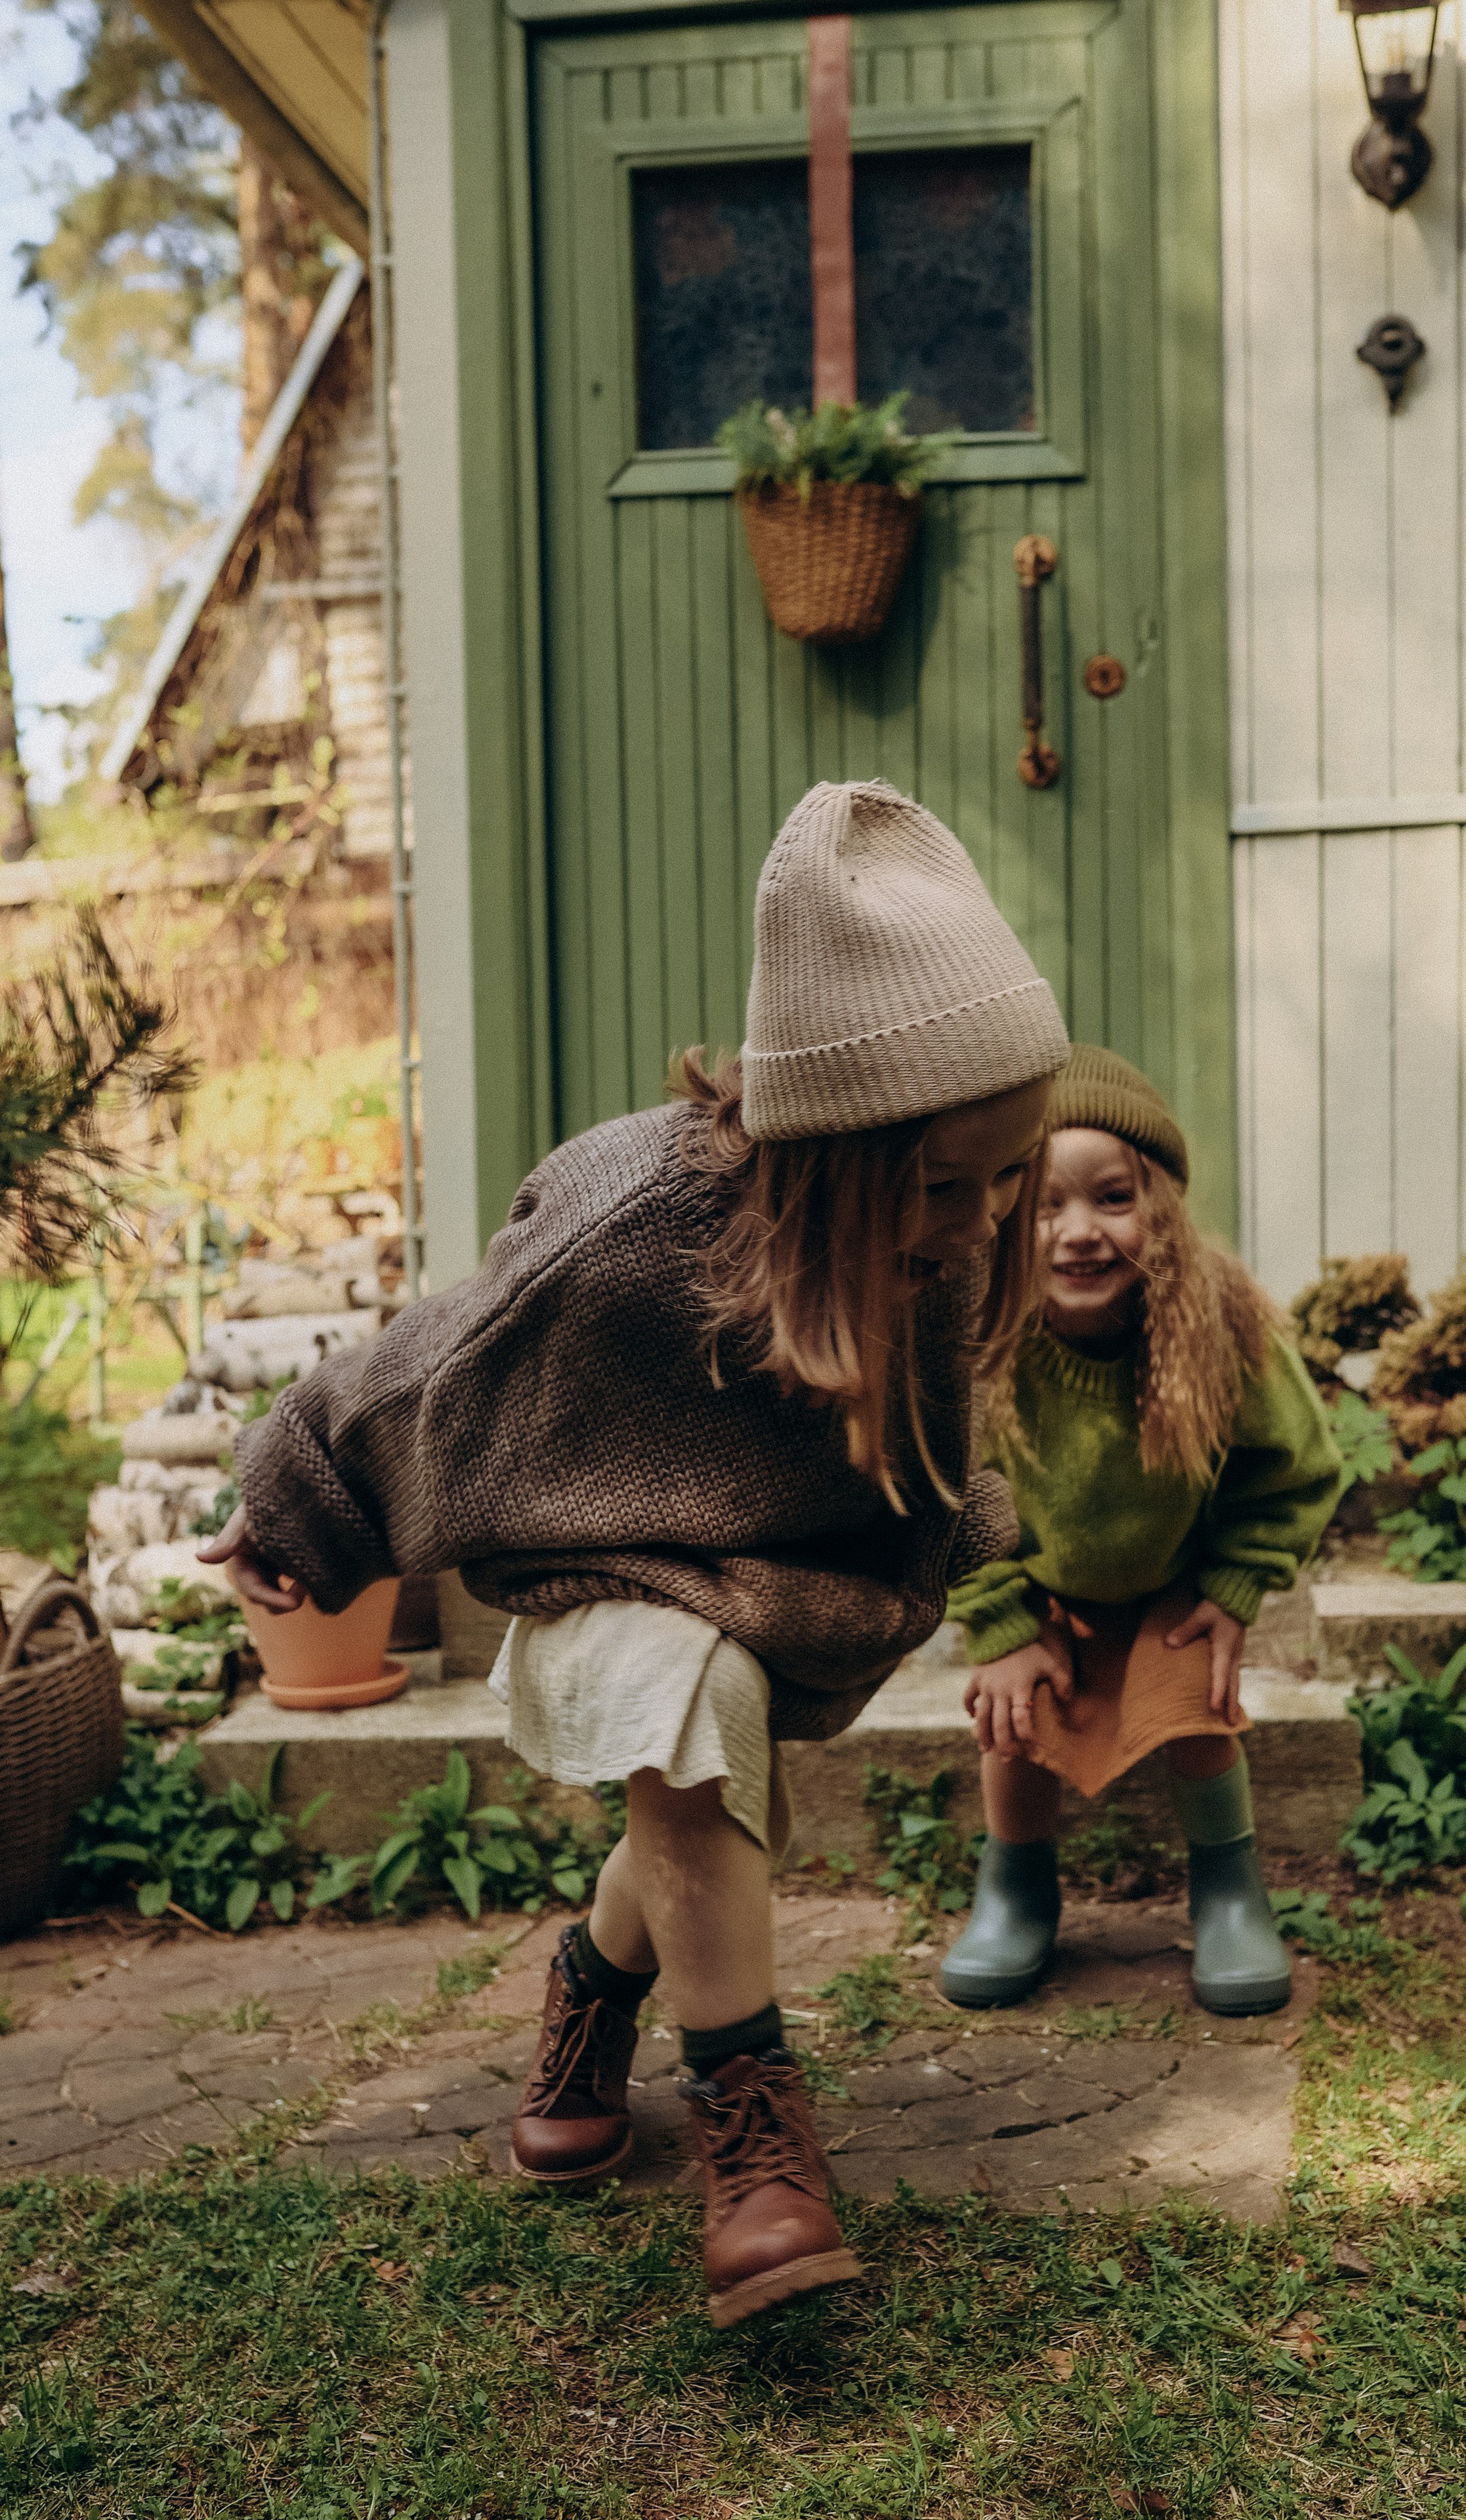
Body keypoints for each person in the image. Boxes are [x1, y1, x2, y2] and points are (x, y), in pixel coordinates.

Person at [201, 779, 1068, 2328]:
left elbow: (956, 1437)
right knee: (678, 1691)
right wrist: (298, 1502)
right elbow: (428, 1360)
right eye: (949, 1183)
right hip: (595, 1576)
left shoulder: (937, 1232)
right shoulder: (633, 1220)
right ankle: (756, 2133)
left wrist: (990, 1586)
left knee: (708, 1782)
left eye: (1010, 1173)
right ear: (834, 1148)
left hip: (774, 1589)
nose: (983, 1217)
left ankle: (592, 1985)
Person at [941, 1044, 1339, 2017]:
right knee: (1014, 1730)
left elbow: (1294, 1465)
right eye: (1044, 1203)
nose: (1078, 1231)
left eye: (1112, 1198)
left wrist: (1235, 1586)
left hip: (1172, 1587)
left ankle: (1230, 1891)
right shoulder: (977, 1331)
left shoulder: (1220, 1322)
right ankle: (1017, 1888)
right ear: (1001, 1211)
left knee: (1200, 1718)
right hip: (1037, 1587)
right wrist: (998, 1624)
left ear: (1158, 1207)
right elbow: (937, 1487)